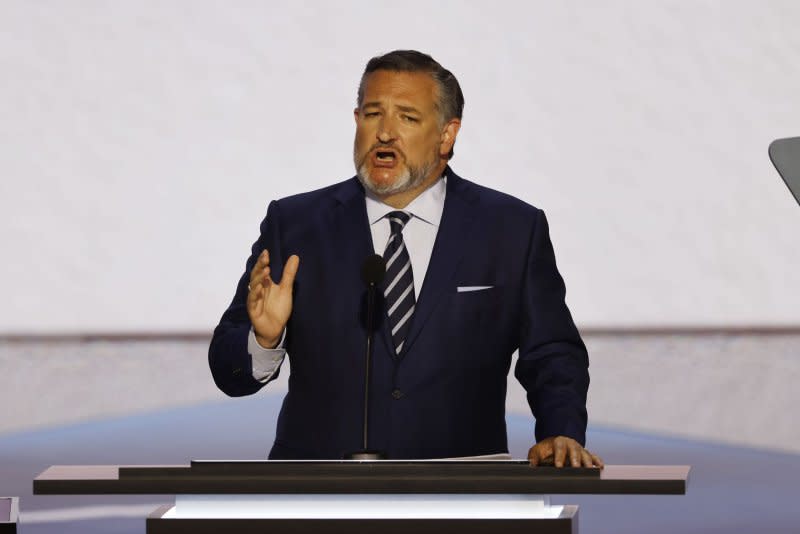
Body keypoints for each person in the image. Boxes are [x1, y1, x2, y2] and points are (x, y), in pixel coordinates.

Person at [209, 50, 603, 468]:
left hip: (464, 489)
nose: (384, 134)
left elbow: (552, 352)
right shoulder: (296, 225)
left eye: (407, 118)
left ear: (447, 135)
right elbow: (228, 370)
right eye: (373, 114)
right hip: (321, 491)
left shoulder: (511, 229)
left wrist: (560, 432)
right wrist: (264, 340)